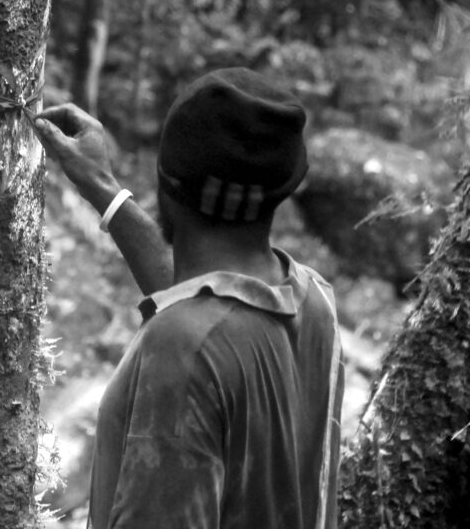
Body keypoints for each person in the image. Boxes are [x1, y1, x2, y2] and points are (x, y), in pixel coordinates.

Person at [34, 68, 344, 529]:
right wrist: (102, 188)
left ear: (166, 185)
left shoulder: (181, 349)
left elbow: (199, 332)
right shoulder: (316, 304)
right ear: (282, 193)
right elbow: (207, 300)